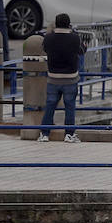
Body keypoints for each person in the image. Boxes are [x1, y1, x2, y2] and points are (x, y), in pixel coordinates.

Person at [40, 13, 86, 143]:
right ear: (69, 24)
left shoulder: (48, 38)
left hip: (53, 78)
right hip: (70, 78)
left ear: (56, 23)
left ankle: (44, 134)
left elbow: (44, 49)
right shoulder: (75, 38)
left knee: (50, 106)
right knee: (70, 107)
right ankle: (69, 134)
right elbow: (82, 50)